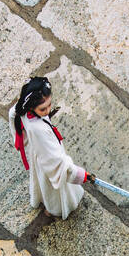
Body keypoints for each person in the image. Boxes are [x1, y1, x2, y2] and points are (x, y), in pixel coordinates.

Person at [8, 76, 95, 219]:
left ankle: (47, 203)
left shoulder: (22, 110)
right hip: (46, 158)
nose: (48, 110)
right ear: (31, 106)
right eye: (43, 109)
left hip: (40, 154)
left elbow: (13, 113)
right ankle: (56, 209)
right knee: (54, 188)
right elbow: (57, 163)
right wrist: (78, 174)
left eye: (49, 105)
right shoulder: (39, 130)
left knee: (44, 183)